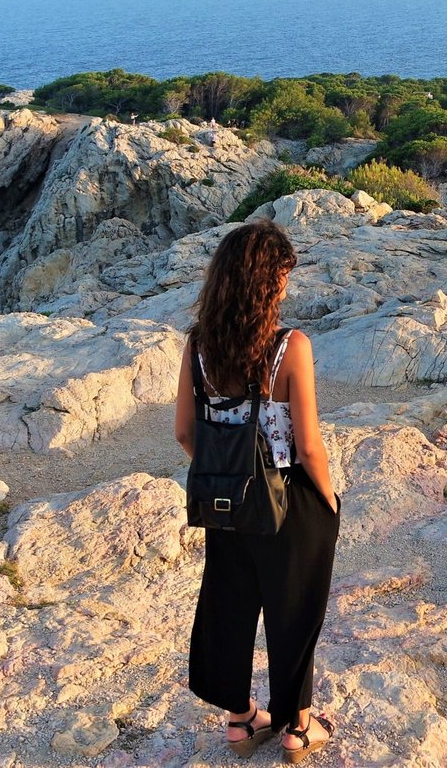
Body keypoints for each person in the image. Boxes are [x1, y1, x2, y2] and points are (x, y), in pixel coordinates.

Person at [175, 220, 340, 762]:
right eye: (283, 278)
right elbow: (309, 444)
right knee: (295, 608)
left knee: (230, 604)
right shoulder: (290, 347)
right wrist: (329, 500)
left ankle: (242, 721)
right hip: (287, 497)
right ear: (268, 282)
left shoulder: (198, 347)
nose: (287, 288)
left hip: (227, 501)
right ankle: (296, 728)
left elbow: (184, 432)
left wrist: (229, 474)